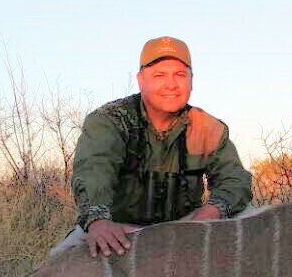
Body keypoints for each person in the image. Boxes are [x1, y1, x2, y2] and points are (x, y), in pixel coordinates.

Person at [50, 36, 253, 258]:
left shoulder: (207, 127)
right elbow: (93, 172)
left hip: (186, 227)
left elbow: (236, 180)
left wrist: (209, 214)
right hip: (120, 228)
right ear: (140, 80)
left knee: (249, 217)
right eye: (159, 75)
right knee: (61, 259)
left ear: (191, 81)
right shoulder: (109, 121)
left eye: (180, 75)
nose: (171, 84)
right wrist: (98, 221)